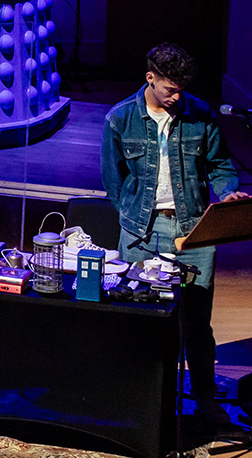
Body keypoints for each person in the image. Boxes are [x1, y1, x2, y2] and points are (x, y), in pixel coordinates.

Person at [103, 42, 249, 411]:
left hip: (192, 233)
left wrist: (228, 192)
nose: (176, 95)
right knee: (137, 319)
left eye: (182, 88)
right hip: (140, 232)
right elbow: (113, 179)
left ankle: (204, 401)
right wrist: (131, 217)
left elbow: (220, 166)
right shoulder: (119, 118)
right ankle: (133, 399)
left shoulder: (201, 114)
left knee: (197, 324)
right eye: (170, 88)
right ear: (150, 77)